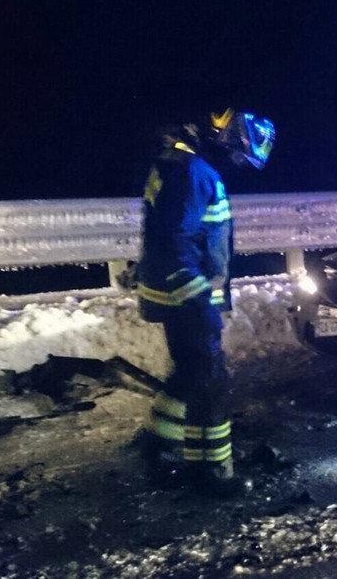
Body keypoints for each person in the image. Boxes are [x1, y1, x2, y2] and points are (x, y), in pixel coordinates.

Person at [135, 108, 275, 496]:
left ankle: (157, 443)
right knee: (211, 382)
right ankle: (212, 471)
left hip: (174, 291)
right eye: (239, 155)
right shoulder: (194, 173)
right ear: (227, 140)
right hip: (186, 294)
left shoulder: (181, 164)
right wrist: (195, 294)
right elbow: (175, 239)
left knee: (189, 374)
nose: (237, 165)